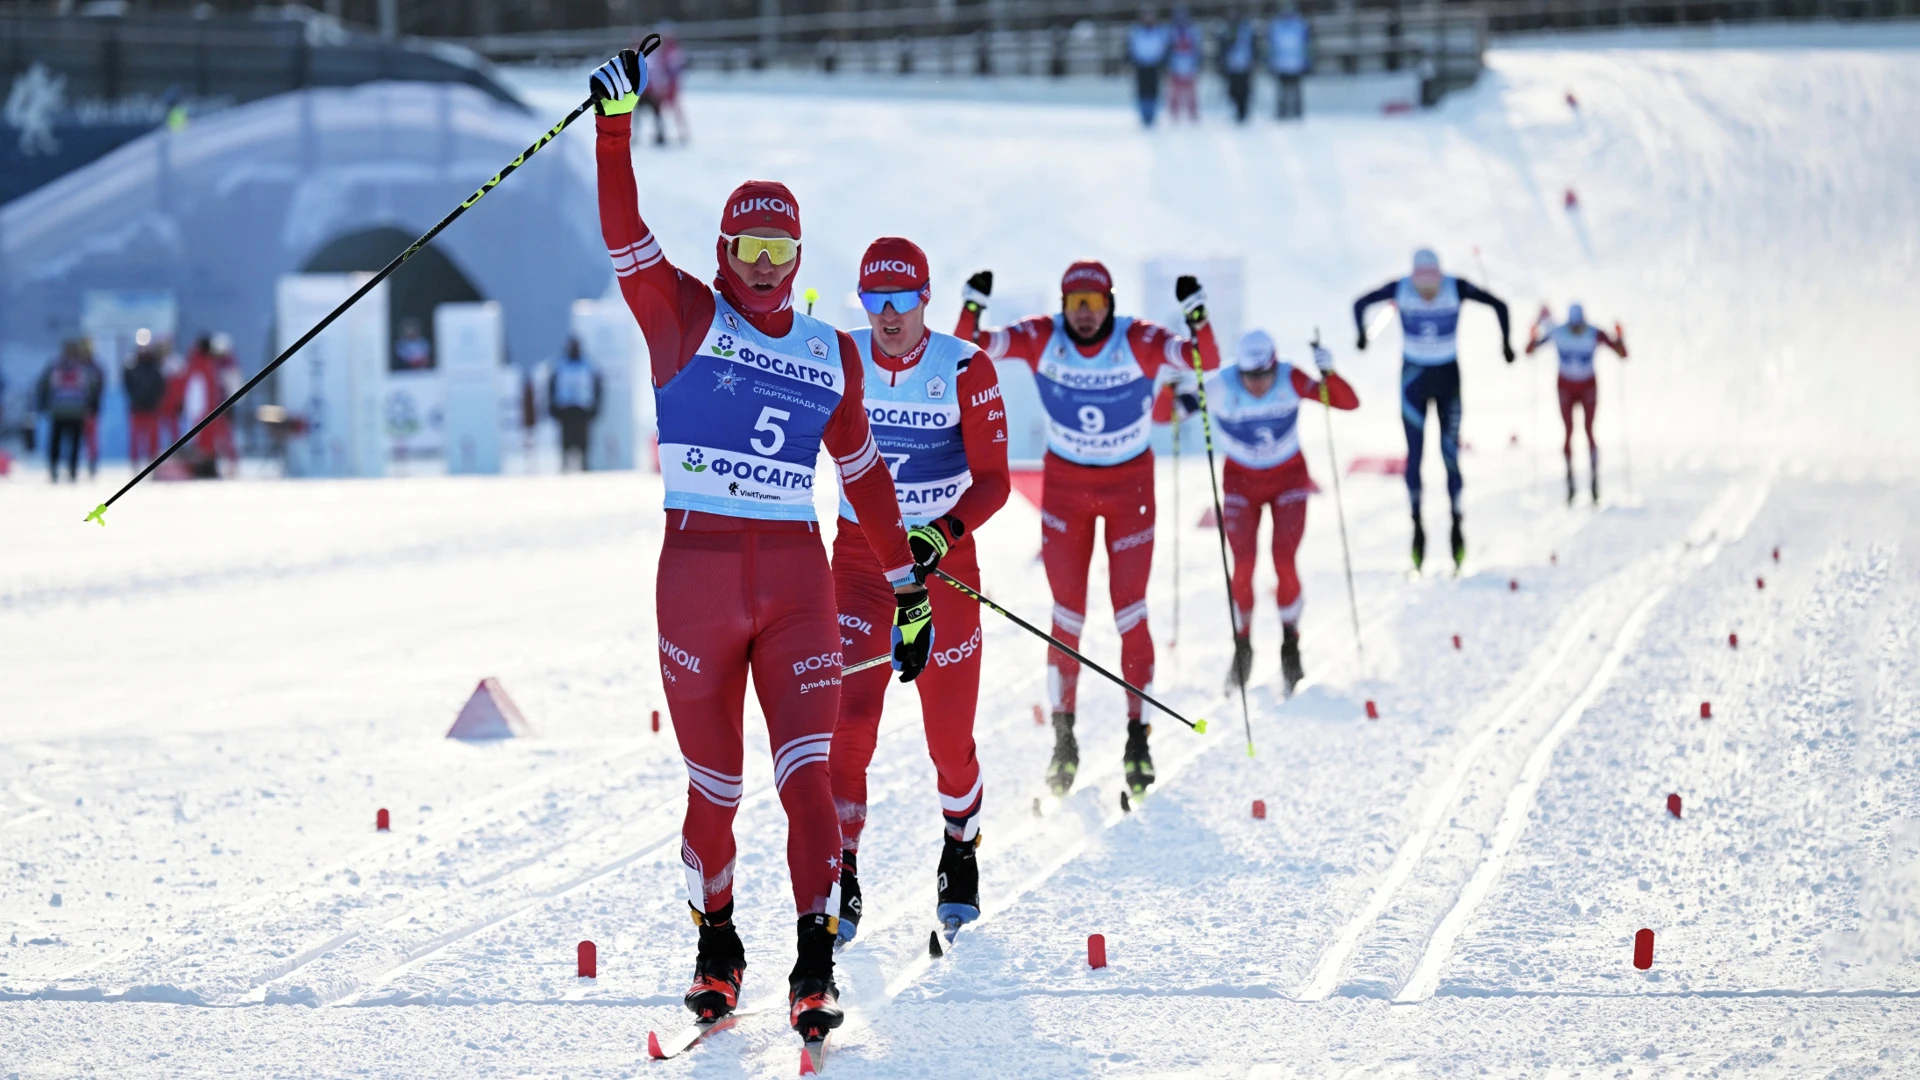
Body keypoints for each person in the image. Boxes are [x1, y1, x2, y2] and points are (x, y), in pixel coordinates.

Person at [590, 48, 933, 1044]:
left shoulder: (832, 353)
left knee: (809, 777)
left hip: (794, 582)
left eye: (781, 254)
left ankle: (815, 965)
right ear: (724, 248)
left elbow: (865, 475)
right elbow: (623, 233)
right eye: (748, 249)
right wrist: (618, 124)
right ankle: (717, 943)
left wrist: (908, 585)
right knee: (714, 786)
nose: (764, 269)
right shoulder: (683, 313)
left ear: (801, 258)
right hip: (695, 575)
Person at [956, 261, 1216, 799]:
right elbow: (969, 348)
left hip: (1130, 488)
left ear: (1111, 304)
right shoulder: (1041, 335)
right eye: (1075, 304)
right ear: (1062, 303)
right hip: (1067, 489)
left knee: (1130, 609)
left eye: (1094, 304)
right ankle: (1064, 740)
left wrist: (1198, 315)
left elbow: (1203, 359)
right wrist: (972, 304)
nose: (1084, 316)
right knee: (1066, 614)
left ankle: (1137, 738)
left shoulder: (1137, 338)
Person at [829, 237, 1010, 946]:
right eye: (875, 301)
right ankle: (841, 869)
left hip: (946, 563)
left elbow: (993, 479)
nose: (889, 315)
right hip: (858, 562)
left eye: (902, 300)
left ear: (926, 298)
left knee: (949, 738)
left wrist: (944, 530)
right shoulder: (841, 356)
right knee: (848, 723)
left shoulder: (965, 366)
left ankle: (959, 843)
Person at [1209, 330, 1358, 697]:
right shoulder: (1219, 385)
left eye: (1264, 375)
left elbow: (1347, 403)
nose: (1257, 384)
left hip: (1288, 479)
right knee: (1243, 564)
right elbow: (1165, 416)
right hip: (1241, 482)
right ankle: (1242, 645)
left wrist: (1330, 374)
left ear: (1274, 366)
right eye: (1249, 377)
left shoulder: (1290, 377)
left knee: (1284, 560)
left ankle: (1290, 643)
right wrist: (1170, 386)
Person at [1353, 249, 1513, 571]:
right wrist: (1361, 335)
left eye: (1433, 284)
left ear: (1440, 276)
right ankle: (1417, 527)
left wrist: (1505, 344)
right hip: (1413, 381)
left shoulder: (1456, 286)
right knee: (1415, 456)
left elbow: (1500, 305)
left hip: (1447, 380)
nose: (1428, 292)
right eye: (1422, 284)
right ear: (1414, 278)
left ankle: (1456, 524)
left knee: (1449, 454)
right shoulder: (1400, 288)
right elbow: (1359, 304)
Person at [1526, 303, 1626, 505]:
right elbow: (1530, 350)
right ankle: (1570, 482)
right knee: (1568, 431)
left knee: (1589, 430)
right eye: (1574, 326)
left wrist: (1619, 337)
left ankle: (1594, 481)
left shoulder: (1593, 332)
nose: (1577, 330)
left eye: (1579, 326)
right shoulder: (1559, 332)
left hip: (1588, 386)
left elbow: (1621, 353)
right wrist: (1533, 334)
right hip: (1565, 387)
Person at [36, 340, 100, 483]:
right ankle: (55, 469)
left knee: (73, 443)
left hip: (75, 411)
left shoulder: (80, 368)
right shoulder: (57, 366)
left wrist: (91, 405)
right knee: (57, 442)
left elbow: (93, 388)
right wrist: (44, 403)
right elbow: (43, 385)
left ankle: (71, 470)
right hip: (60, 411)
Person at [547, 337, 602, 472]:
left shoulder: (589, 365)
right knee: (566, 439)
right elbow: (551, 387)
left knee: (583, 439)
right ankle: (564, 466)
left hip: (582, 408)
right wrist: (552, 406)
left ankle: (585, 465)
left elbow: (597, 387)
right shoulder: (560, 365)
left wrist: (596, 406)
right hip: (565, 408)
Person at [124, 338, 168, 467]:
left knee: (153, 440)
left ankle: (153, 464)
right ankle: (134, 464)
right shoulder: (131, 367)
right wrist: (135, 399)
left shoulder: (156, 368)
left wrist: (155, 402)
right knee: (135, 440)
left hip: (151, 409)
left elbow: (161, 387)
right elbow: (128, 386)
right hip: (137, 408)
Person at [1128, 7, 1171, 128]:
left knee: (1153, 91)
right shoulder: (1136, 31)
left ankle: (1152, 115)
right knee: (1142, 91)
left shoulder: (1160, 31)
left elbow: (1165, 48)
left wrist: (1163, 61)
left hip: (1154, 66)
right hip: (1141, 65)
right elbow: (1130, 48)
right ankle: (1143, 115)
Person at [1268, 1, 1310, 120]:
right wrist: (1271, 61)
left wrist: (1307, 60)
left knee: (1296, 89)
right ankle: (1282, 112)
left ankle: (1297, 112)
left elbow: (1306, 45)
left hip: (1296, 63)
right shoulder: (1275, 25)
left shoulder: (1300, 24)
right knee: (1282, 90)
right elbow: (1271, 46)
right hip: (1280, 63)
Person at [1221, 7, 1258, 124]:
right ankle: (1236, 111)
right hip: (1232, 65)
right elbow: (1222, 48)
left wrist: (1254, 59)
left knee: (1244, 91)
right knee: (1233, 91)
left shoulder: (1246, 29)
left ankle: (1243, 113)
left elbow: (1253, 45)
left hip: (1244, 64)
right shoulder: (1226, 30)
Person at [1166, 5, 1202, 123]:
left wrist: (1197, 62)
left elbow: (1197, 49)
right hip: (1176, 66)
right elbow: (1168, 49)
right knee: (1175, 92)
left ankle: (1192, 112)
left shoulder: (1193, 31)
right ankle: (1174, 113)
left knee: (1191, 92)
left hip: (1189, 66)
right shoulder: (1172, 32)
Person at [77, 338, 103, 477]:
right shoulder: (76, 366)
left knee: (92, 440)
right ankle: (73, 465)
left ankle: (92, 464)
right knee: (76, 439)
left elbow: (98, 389)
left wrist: (91, 405)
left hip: (91, 409)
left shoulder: (95, 368)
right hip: (75, 410)